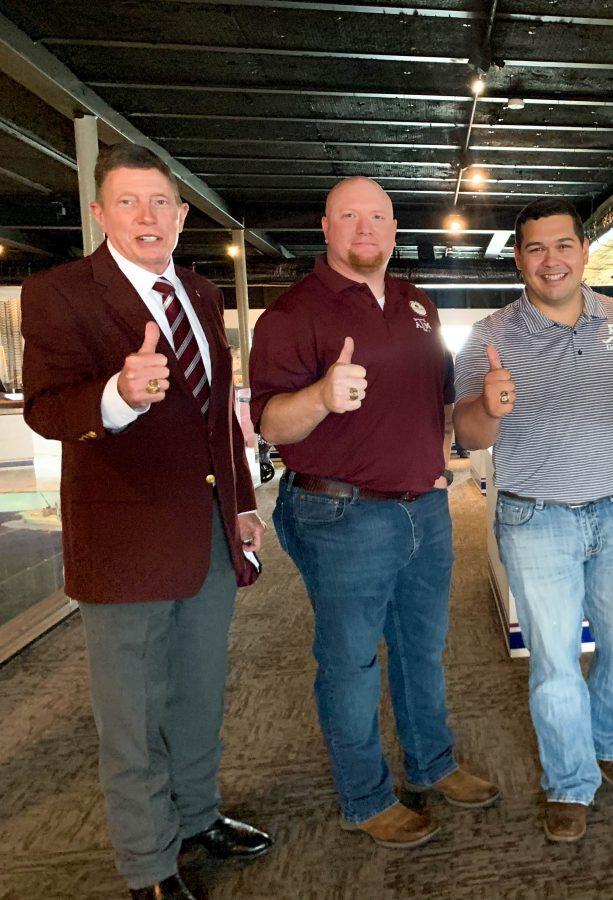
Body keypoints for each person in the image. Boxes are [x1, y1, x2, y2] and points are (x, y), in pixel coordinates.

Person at [21, 143, 271, 900]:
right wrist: (119, 396)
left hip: (208, 536)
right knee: (131, 717)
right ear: (100, 213)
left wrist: (244, 504)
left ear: (183, 214)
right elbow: (45, 408)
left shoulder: (198, 292)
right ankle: (148, 866)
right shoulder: (59, 291)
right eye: (127, 202)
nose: (147, 216)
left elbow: (218, 412)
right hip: (124, 544)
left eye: (161, 202)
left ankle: (196, 817)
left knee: (199, 694)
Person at [249, 176, 498, 850]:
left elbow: (445, 414)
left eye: (379, 216)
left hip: (426, 508)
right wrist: (322, 396)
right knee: (351, 664)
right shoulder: (293, 314)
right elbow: (272, 422)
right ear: (325, 229)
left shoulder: (418, 304)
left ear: (394, 229)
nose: (366, 229)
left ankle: (432, 763)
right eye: (349, 216)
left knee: (422, 650)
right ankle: (364, 798)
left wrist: (487, 413)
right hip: (342, 514)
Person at [452, 198, 613, 843]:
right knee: (554, 661)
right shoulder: (490, 335)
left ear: (584, 250)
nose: (552, 260)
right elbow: (465, 430)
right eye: (537, 248)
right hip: (534, 515)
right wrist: (489, 407)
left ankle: (606, 742)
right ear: (519, 257)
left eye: (564, 246)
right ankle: (570, 780)